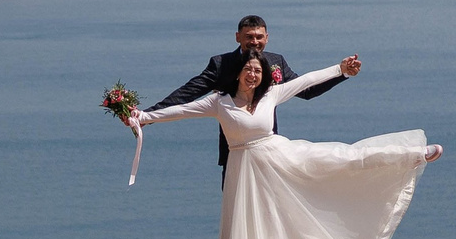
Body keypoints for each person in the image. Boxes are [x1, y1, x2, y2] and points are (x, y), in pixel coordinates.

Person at [122, 49, 440, 239]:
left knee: (342, 158)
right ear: (238, 73)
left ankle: (410, 154)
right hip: (243, 175)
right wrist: (143, 117)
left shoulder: (270, 95)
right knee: (252, 238)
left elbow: (306, 82)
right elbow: (180, 110)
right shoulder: (219, 102)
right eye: (248, 69)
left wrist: (340, 69)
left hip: (280, 160)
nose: (253, 74)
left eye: (258, 71)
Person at [149, 15, 359, 181]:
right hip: (235, 153)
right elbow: (189, 93)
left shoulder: (276, 61)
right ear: (238, 37)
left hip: (269, 153)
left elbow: (306, 89)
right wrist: (148, 115)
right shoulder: (221, 64)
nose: (254, 41)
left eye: (259, 37)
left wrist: (343, 73)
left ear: (267, 38)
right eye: (249, 36)